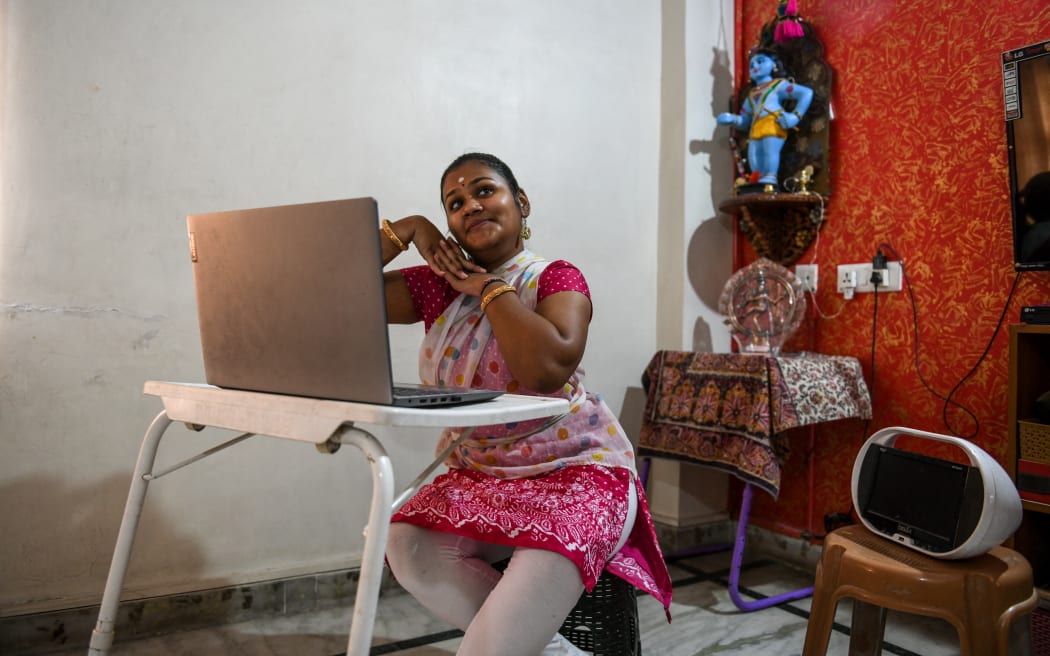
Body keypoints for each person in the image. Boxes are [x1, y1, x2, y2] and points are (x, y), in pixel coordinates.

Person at [379, 153, 672, 656]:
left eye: (484, 191)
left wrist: (490, 288)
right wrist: (407, 229)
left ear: (521, 203)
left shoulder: (555, 278)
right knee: (403, 540)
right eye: (454, 203)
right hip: (483, 475)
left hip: (578, 476)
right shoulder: (437, 289)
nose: (470, 205)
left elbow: (544, 370)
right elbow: (335, 293)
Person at [717, 48, 813, 187]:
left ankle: (770, 178)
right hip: (755, 127)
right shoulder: (751, 94)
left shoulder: (778, 85)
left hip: (772, 123)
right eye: (751, 65)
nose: (755, 66)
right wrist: (732, 119)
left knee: (770, 152)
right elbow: (746, 120)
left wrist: (795, 116)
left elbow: (806, 93)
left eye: (760, 61)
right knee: (754, 156)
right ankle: (757, 179)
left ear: (774, 64)